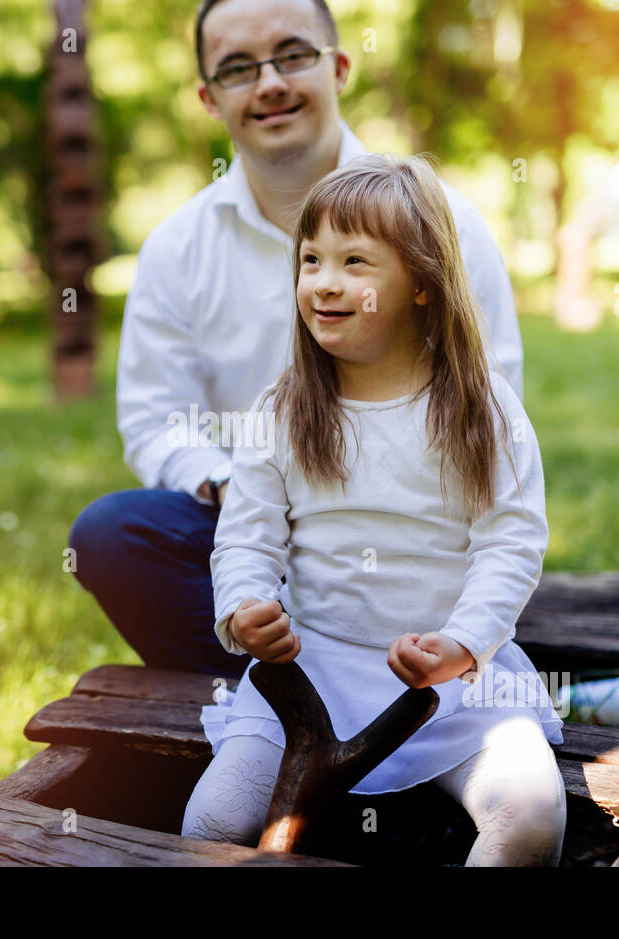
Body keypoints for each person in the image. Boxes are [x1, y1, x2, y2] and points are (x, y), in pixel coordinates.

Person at [68, 0, 524, 680]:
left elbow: (492, 395)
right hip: (261, 526)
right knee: (111, 535)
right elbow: (155, 422)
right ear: (208, 98)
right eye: (238, 68)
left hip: (420, 527)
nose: (270, 83)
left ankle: (416, 680)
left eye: (292, 55)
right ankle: (291, 694)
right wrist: (239, 486)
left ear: (338, 68)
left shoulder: (445, 222)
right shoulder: (175, 249)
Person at [180, 153, 566, 866]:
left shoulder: (479, 408)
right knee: (212, 821)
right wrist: (244, 607)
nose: (325, 282)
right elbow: (246, 539)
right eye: (312, 259)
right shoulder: (283, 409)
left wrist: (463, 643)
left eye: (356, 261)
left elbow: (509, 545)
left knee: (531, 816)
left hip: (453, 684)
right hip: (313, 675)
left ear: (422, 282)